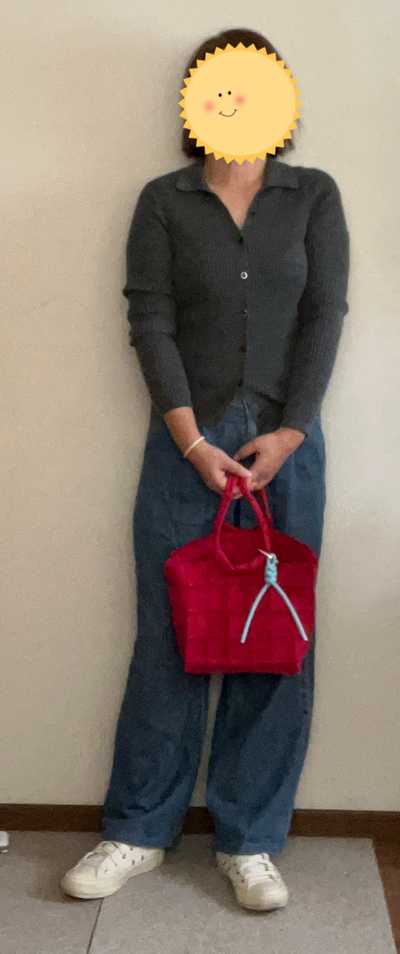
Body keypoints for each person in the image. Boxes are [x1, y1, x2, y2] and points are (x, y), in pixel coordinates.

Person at [60, 26, 350, 912]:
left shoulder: (313, 195)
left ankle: (250, 840)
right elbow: (148, 321)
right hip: (185, 444)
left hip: (286, 447)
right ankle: (137, 828)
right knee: (170, 633)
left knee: (275, 636)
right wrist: (192, 441)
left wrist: (290, 433)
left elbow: (325, 315)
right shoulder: (163, 201)